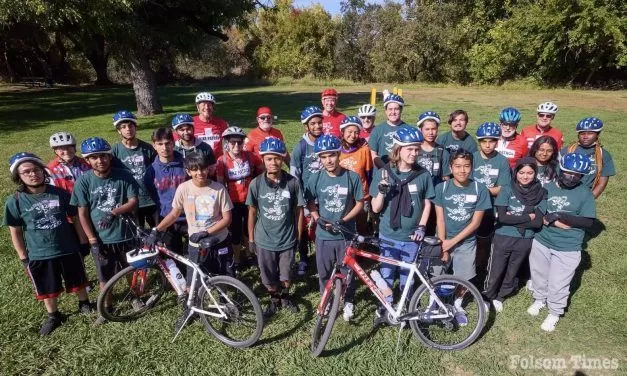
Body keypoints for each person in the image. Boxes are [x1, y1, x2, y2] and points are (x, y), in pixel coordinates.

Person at [4, 153, 92, 335]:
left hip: (68, 247)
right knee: (47, 286)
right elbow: (16, 231)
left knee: (78, 279)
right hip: (40, 252)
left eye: (36, 170)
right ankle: (54, 315)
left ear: (43, 171)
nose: (33, 174)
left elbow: (75, 219)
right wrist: (23, 257)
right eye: (26, 172)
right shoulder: (15, 201)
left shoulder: (60, 193)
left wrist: (83, 241)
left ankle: (84, 303)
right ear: (18, 177)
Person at [145, 151, 234, 330]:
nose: (200, 173)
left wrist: (207, 232)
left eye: (203, 168)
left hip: (219, 241)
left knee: (223, 275)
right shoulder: (184, 189)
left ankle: (226, 303)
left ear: (208, 169)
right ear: (188, 171)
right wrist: (157, 229)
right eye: (195, 170)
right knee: (192, 280)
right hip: (196, 244)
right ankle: (190, 309)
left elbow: (226, 219)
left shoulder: (218, 189)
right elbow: (174, 213)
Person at [70, 137, 139, 325]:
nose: (100, 161)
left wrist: (115, 212)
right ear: (87, 161)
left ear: (109, 156)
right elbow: (82, 213)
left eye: (103, 156)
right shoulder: (84, 182)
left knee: (131, 268)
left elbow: (133, 201)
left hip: (126, 233)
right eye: (94, 158)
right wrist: (91, 238)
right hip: (102, 238)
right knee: (104, 274)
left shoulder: (124, 175)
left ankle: (135, 298)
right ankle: (106, 307)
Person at [370, 126, 435, 323]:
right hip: (388, 234)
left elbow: (427, 203)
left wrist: (422, 226)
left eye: (417, 149)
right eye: (410, 149)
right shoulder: (384, 173)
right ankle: (386, 304)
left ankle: (406, 303)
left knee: (408, 275)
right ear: (398, 149)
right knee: (387, 273)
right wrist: (381, 191)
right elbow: (375, 208)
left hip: (411, 236)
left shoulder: (423, 175)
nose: (414, 153)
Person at [527, 153, 596, 332]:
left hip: (568, 246)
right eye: (568, 173)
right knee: (538, 274)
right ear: (561, 169)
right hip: (543, 240)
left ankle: (555, 312)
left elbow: (588, 222)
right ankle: (540, 299)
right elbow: (540, 210)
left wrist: (560, 216)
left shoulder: (584, 193)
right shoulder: (549, 187)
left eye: (577, 175)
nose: (572, 177)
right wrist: (548, 220)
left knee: (558, 282)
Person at [306, 135, 364, 321]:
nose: (328, 160)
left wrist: (344, 219)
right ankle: (327, 297)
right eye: (323, 156)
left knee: (348, 271)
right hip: (324, 235)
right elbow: (310, 202)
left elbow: (359, 204)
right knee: (323, 271)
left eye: (331, 155)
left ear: (339, 155)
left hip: (345, 234)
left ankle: (348, 299)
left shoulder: (351, 177)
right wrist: (317, 218)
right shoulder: (315, 178)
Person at [247, 137, 305, 316]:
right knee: (268, 276)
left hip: (287, 238)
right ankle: (273, 298)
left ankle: (285, 296)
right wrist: (251, 240)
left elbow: (299, 212)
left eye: (278, 158)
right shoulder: (256, 184)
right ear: (263, 159)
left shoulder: (293, 183)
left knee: (286, 275)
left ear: (283, 158)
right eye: (269, 158)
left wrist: (299, 238)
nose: (274, 162)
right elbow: (252, 213)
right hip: (264, 240)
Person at [434, 149, 491, 324]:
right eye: (458, 166)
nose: (462, 170)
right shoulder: (441, 188)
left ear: (472, 167)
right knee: (436, 273)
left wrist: (453, 242)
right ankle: (434, 303)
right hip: (443, 239)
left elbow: (475, 223)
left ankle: (457, 303)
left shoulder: (479, 188)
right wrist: (443, 244)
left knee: (464, 276)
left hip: (466, 242)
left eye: (467, 166)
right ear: (451, 167)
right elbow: (440, 219)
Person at [483, 157, 547, 313]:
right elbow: (502, 217)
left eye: (530, 173)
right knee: (495, 269)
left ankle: (501, 296)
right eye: (522, 172)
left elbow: (538, 222)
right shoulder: (507, 189)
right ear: (516, 173)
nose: (525, 176)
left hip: (525, 239)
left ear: (535, 173)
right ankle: (487, 296)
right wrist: (527, 217)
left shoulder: (542, 192)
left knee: (513, 270)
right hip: (503, 236)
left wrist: (515, 218)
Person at [216, 126, 263, 273]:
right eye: (232, 143)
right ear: (227, 143)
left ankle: (250, 254)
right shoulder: (222, 160)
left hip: (249, 199)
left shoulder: (250, 156)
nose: (236, 146)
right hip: (232, 201)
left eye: (239, 142)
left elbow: (262, 170)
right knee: (235, 232)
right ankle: (236, 259)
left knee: (250, 229)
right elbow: (219, 183)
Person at [472, 122, 511, 276]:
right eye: (484, 141)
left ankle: (479, 269)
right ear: (479, 141)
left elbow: (503, 187)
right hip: (470, 205)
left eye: (492, 141)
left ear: (497, 141)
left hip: (489, 207)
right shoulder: (472, 158)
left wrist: (481, 191)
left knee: (483, 240)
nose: (488, 145)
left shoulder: (502, 161)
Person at [290, 105, 324, 276]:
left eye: (319, 123)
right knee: (303, 229)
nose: (317, 126)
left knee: (322, 227)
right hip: (306, 197)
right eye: (313, 124)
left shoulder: (326, 141)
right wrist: (300, 199)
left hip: (325, 195)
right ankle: (303, 258)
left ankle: (322, 257)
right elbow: (295, 175)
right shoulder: (301, 147)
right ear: (306, 126)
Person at [145, 128, 188, 257]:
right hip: (167, 219)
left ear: (173, 143)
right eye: (160, 144)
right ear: (154, 145)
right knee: (174, 255)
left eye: (167, 143)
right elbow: (152, 194)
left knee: (196, 253)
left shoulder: (186, 164)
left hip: (189, 217)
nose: (164, 147)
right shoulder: (150, 171)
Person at [110, 110, 158, 228]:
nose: (128, 129)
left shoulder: (147, 148)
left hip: (151, 198)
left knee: (159, 232)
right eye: (123, 127)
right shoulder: (115, 152)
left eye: (131, 125)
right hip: (131, 201)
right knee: (138, 234)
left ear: (135, 127)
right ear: (118, 130)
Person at [562, 117, 615, 199]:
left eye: (590, 133)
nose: (585, 136)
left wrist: (589, 200)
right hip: (563, 192)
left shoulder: (603, 155)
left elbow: (602, 183)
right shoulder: (567, 151)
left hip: (585, 195)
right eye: (582, 133)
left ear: (597, 134)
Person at [416, 111, 450, 236]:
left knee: (430, 230)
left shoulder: (442, 152)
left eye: (434, 129)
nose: (431, 132)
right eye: (427, 129)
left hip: (434, 197)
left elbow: (445, 177)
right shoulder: (414, 149)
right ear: (421, 129)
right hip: (416, 197)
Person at [338, 116, 373, 235]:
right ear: (342, 132)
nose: (353, 135)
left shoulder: (364, 150)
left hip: (361, 196)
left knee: (361, 228)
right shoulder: (336, 151)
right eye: (350, 132)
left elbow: (369, 174)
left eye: (356, 132)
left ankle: (361, 250)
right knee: (344, 226)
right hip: (343, 195)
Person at [369, 93, 409, 169]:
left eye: (396, 109)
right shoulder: (377, 130)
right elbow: (373, 155)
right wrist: (386, 169)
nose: (393, 112)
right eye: (390, 109)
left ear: (401, 110)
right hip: (381, 172)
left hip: (402, 170)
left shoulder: (408, 129)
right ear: (386, 111)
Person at [190, 92, 229, 157]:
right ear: (198, 107)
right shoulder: (191, 123)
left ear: (213, 107)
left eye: (209, 105)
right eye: (203, 105)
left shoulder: (222, 123)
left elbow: (227, 144)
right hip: (198, 163)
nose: (207, 107)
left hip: (218, 162)